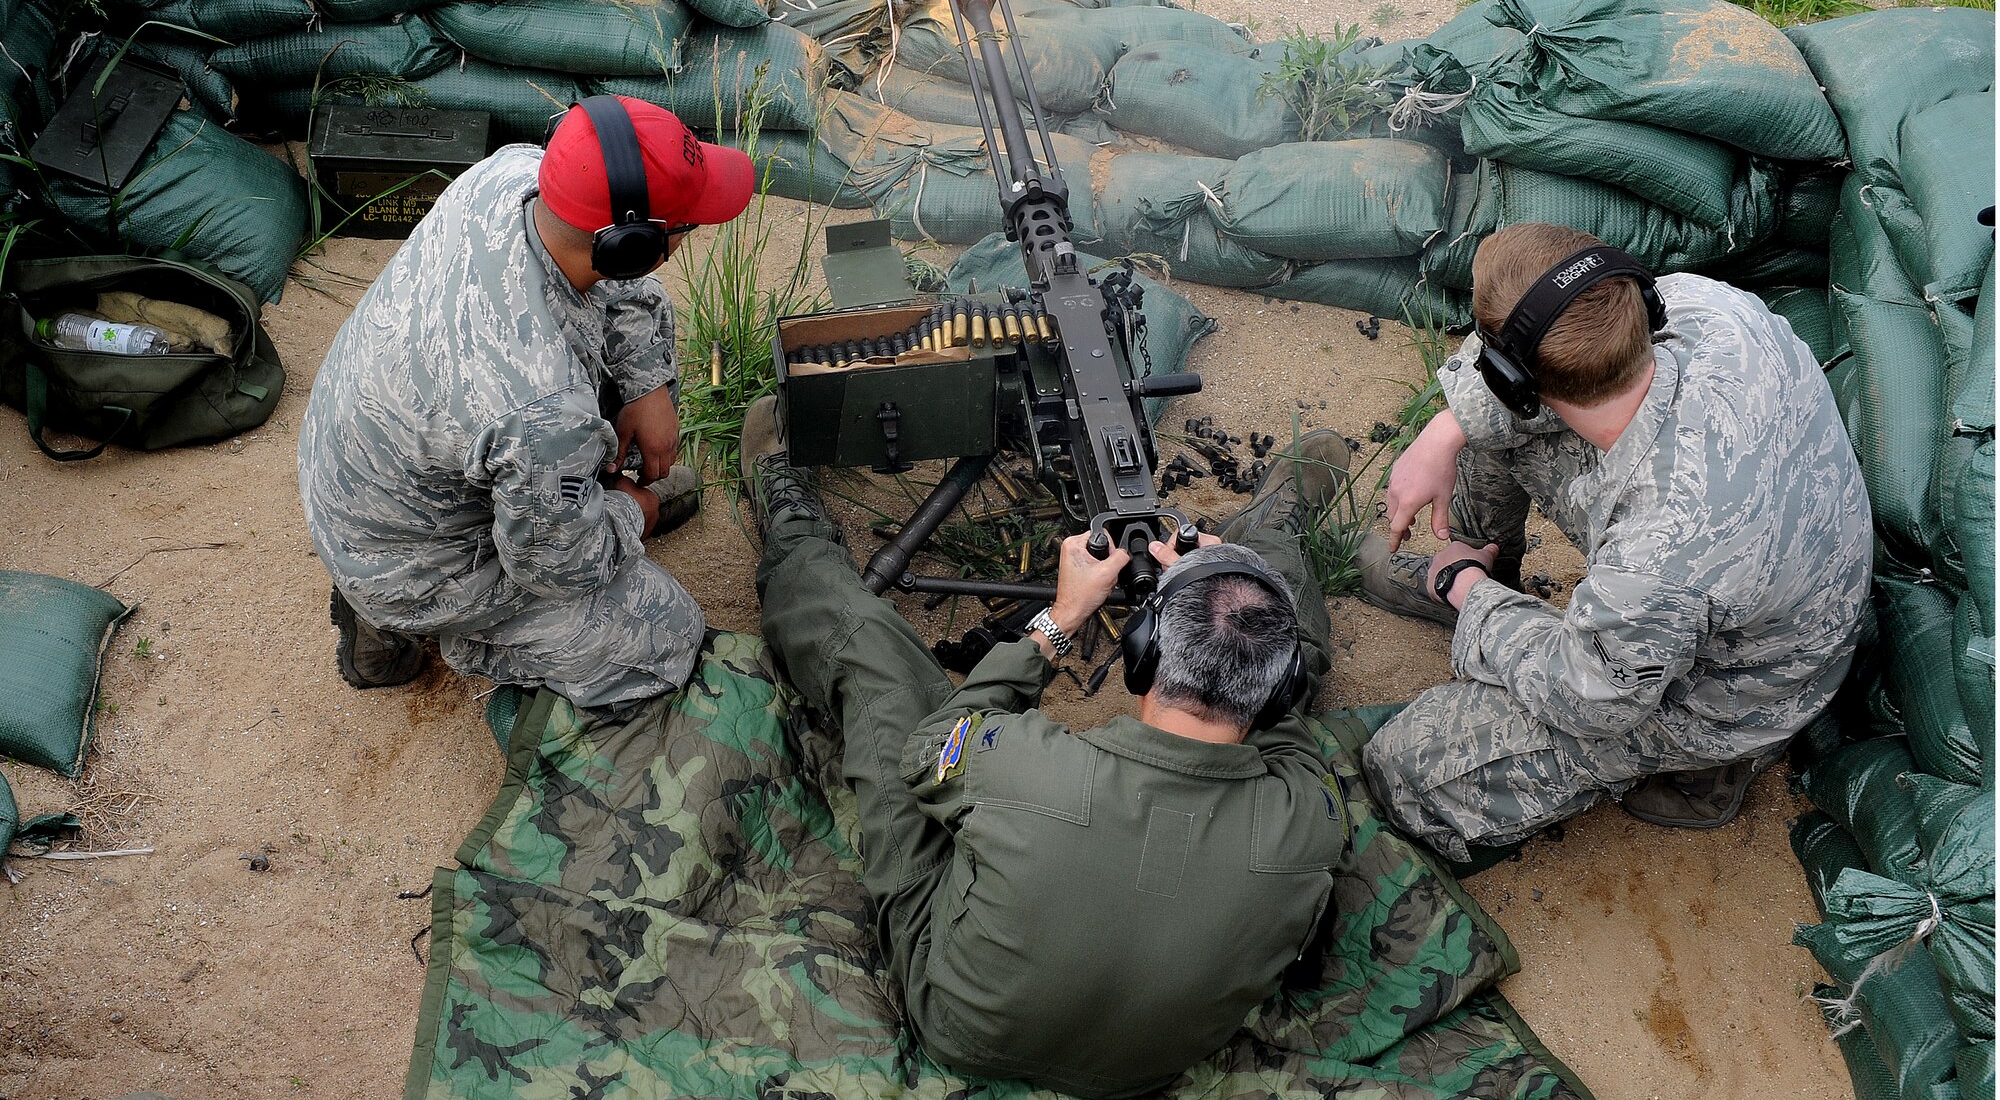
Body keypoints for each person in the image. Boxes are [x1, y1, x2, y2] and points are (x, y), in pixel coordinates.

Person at [740, 393, 1352, 1100]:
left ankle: (794, 529)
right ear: (1276, 695)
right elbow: (1290, 719)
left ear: (1143, 656)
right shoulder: (1310, 819)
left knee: (875, 660)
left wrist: (1057, 622)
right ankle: (1270, 532)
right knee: (1265, 626)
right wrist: (1240, 577)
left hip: (959, 1020)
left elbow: (929, 748)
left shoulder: (1026, 767)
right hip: (1143, 1068)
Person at [1357, 223, 1872, 863]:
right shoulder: (1699, 302)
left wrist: (1468, 592)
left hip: (1739, 688)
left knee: (1407, 766)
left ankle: (1716, 765)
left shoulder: (1658, 558)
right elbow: (1519, 392)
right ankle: (1480, 562)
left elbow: (1592, 698)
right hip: (1752, 580)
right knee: (1490, 431)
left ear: (1516, 376)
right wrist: (1448, 427)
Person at [297, 97, 754, 706]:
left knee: (638, 328)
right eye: (685, 227)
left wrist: (647, 390)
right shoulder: (545, 406)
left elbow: (627, 292)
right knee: (664, 635)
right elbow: (556, 569)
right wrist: (628, 515)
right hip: (406, 561)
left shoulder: (510, 174)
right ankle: (397, 622)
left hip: (364, 467)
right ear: (631, 246)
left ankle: (567, 502)